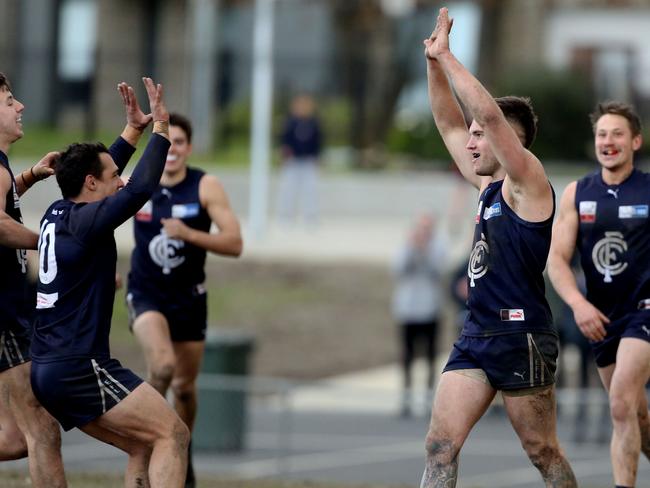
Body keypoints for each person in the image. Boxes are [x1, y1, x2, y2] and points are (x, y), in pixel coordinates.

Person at [420, 8, 576, 487]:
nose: (469, 141)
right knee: (439, 446)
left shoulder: (527, 182)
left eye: (479, 136)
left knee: (542, 451)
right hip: (477, 335)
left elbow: (485, 113)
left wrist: (450, 55)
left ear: (511, 142)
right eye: (471, 136)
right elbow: (449, 121)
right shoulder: (488, 185)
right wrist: (432, 60)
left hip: (522, 337)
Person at [30, 77, 190, 488]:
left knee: (143, 444)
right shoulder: (89, 222)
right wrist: (160, 130)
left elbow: (104, 174)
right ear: (90, 184)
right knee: (173, 433)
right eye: (112, 175)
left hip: (48, 368)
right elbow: (138, 189)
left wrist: (131, 132)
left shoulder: (58, 211)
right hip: (79, 365)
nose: (118, 179)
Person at [126, 113, 243, 487]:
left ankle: (180, 446)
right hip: (145, 294)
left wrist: (189, 235)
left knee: (186, 388)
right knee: (161, 367)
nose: (172, 150)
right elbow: (97, 217)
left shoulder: (205, 186)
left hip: (189, 299)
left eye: (179, 143)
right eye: (166, 142)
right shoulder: (140, 182)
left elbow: (234, 243)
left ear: (188, 148)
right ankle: (148, 442)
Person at [548, 100, 650, 487]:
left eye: (618, 134)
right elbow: (557, 260)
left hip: (644, 310)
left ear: (635, 141)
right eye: (602, 134)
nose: (609, 141)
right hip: (600, 318)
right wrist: (578, 305)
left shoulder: (647, 189)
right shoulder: (578, 192)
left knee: (620, 401)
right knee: (634, 415)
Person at [0, 72, 67, 487]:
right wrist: (54, 243)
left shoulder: (5, 169)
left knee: (21, 433)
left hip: (9, 311)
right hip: (5, 315)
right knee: (40, 429)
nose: (20, 106)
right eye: (8, 101)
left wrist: (30, 177)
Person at [391, 213, 446, 417]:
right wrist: (413, 248)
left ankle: (428, 397)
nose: (423, 232)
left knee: (431, 355)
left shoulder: (438, 247)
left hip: (430, 308)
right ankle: (406, 395)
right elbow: (398, 269)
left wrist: (425, 251)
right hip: (407, 309)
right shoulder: (406, 246)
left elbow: (439, 272)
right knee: (407, 354)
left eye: (427, 228)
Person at [275, 94, 323, 226]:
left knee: (310, 191)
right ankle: (285, 217)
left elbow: (318, 142)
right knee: (288, 190)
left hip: (308, 161)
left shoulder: (314, 123)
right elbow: (284, 141)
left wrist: (317, 158)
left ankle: (311, 218)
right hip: (292, 162)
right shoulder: (289, 122)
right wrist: (283, 156)